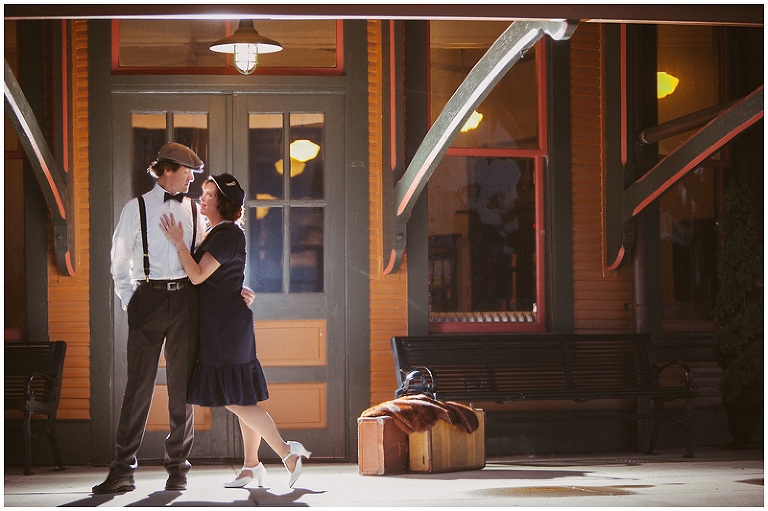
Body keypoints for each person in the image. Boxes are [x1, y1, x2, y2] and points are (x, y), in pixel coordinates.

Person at [93, 143, 252, 494]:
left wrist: (234, 289)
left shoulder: (195, 211)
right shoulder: (135, 208)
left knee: (182, 388)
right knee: (138, 387)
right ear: (167, 170)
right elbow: (120, 258)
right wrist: (130, 299)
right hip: (147, 300)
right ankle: (122, 470)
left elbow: (209, 262)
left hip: (185, 302)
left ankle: (178, 470)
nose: (192, 181)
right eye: (187, 173)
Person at [160, 173, 311, 489]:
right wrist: (235, 289)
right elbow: (219, 277)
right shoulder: (218, 232)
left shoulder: (226, 233)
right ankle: (251, 466)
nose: (202, 198)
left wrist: (178, 243)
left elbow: (198, 275)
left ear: (223, 203)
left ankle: (287, 452)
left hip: (224, 329)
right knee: (242, 396)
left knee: (232, 398)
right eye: (203, 192)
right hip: (226, 324)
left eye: (209, 194)